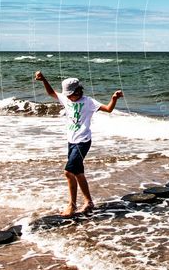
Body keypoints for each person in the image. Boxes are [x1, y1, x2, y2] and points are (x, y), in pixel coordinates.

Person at [34, 71, 124, 216]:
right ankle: (88, 202)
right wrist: (44, 79)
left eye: (72, 94)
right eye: (68, 95)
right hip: (71, 141)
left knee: (68, 172)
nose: (69, 97)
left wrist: (114, 98)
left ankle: (72, 205)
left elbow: (108, 109)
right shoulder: (66, 99)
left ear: (79, 90)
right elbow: (51, 92)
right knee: (78, 173)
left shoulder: (88, 102)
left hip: (83, 141)